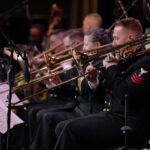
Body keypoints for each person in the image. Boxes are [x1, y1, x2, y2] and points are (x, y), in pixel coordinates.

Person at [54, 17, 150, 150]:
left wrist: (111, 68)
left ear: (131, 38)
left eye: (116, 38)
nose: (113, 44)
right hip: (111, 115)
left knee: (70, 129)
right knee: (61, 127)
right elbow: (106, 90)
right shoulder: (124, 59)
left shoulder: (144, 63)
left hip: (130, 123)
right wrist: (94, 80)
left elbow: (125, 93)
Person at [30, 28, 112, 150]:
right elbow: (73, 89)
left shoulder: (103, 64)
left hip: (90, 112)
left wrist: (85, 76)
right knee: (44, 115)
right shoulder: (86, 62)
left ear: (98, 45)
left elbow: (88, 90)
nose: (83, 48)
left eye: (86, 44)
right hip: (78, 108)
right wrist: (55, 84)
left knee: (47, 117)